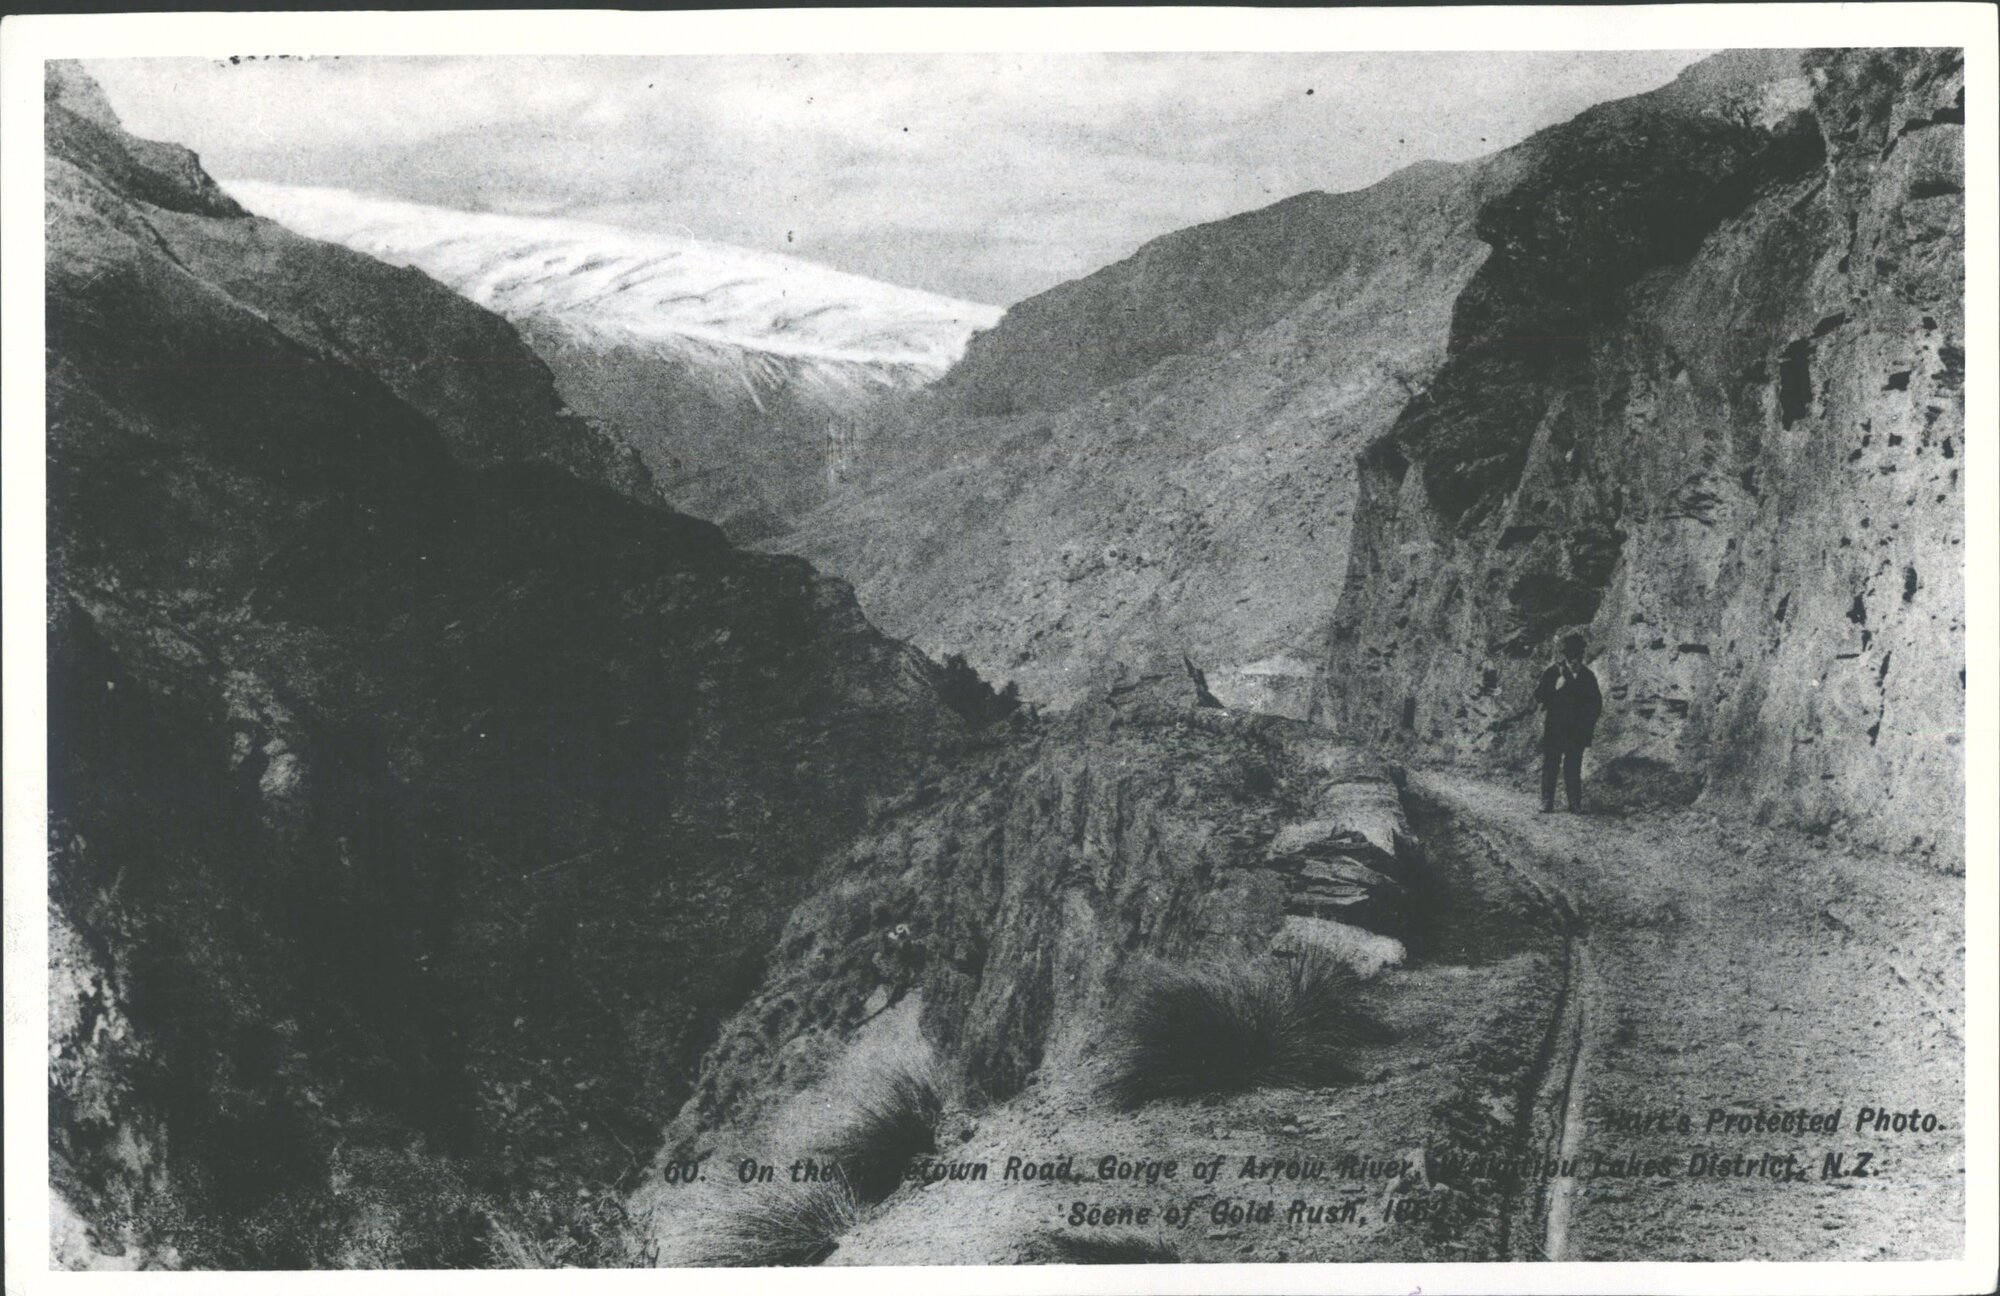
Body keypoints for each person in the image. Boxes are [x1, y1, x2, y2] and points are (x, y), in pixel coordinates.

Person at [1534, 633, 1603, 813]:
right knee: (1551, 764)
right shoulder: (1553, 673)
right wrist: (1555, 687)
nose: (1574, 661)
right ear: (1564, 656)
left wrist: (1587, 725)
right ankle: (1547, 802)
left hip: (1576, 731)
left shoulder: (1588, 677)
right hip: (1555, 729)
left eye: (1578, 657)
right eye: (1570, 656)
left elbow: (1596, 704)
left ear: (1582, 656)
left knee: (1573, 766)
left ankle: (1574, 803)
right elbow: (1539, 696)